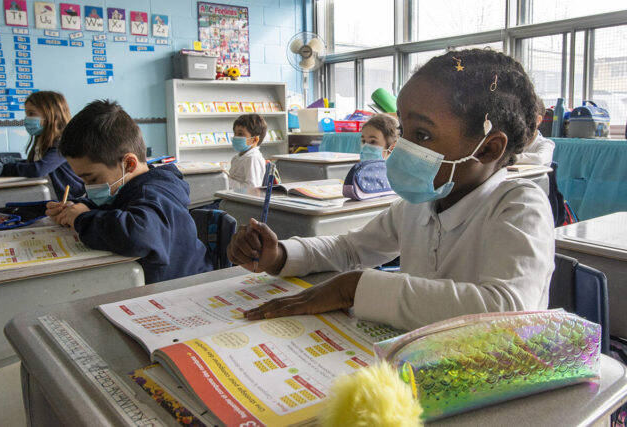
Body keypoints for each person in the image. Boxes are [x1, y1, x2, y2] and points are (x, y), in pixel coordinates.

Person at [227, 49, 555, 331]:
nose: (402, 147)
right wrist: (282, 255)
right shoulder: (420, 203)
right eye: (404, 130)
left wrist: (357, 288)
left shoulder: (520, 207)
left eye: (423, 135)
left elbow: (507, 310)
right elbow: (351, 249)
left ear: (487, 149)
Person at [45, 99, 212, 284]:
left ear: (129, 164)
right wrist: (77, 207)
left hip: (181, 288)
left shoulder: (156, 192)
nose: (89, 187)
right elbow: (111, 206)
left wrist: (81, 219)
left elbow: (138, 235)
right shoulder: (125, 187)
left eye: (92, 179)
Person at [0, 91, 84, 198]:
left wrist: (4, 168)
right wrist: (4, 163)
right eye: (27, 114)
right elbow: (33, 163)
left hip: (72, 201)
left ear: (50, 114)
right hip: (53, 199)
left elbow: (38, 169)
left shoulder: (62, 144)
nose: (27, 119)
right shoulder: (42, 141)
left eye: (31, 113)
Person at [228, 113, 267, 188]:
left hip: (240, 198)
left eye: (240, 134)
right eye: (234, 133)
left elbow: (253, 188)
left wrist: (227, 182)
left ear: (255, 139)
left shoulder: (253, 158)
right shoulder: (236, 158)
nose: (235, 137)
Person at [515, 98, 555, 166]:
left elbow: (540, 159)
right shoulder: (513, 142)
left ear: (538, 120)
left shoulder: (546, 143)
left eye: (525, 116)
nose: (519, 120)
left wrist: (509, 158)